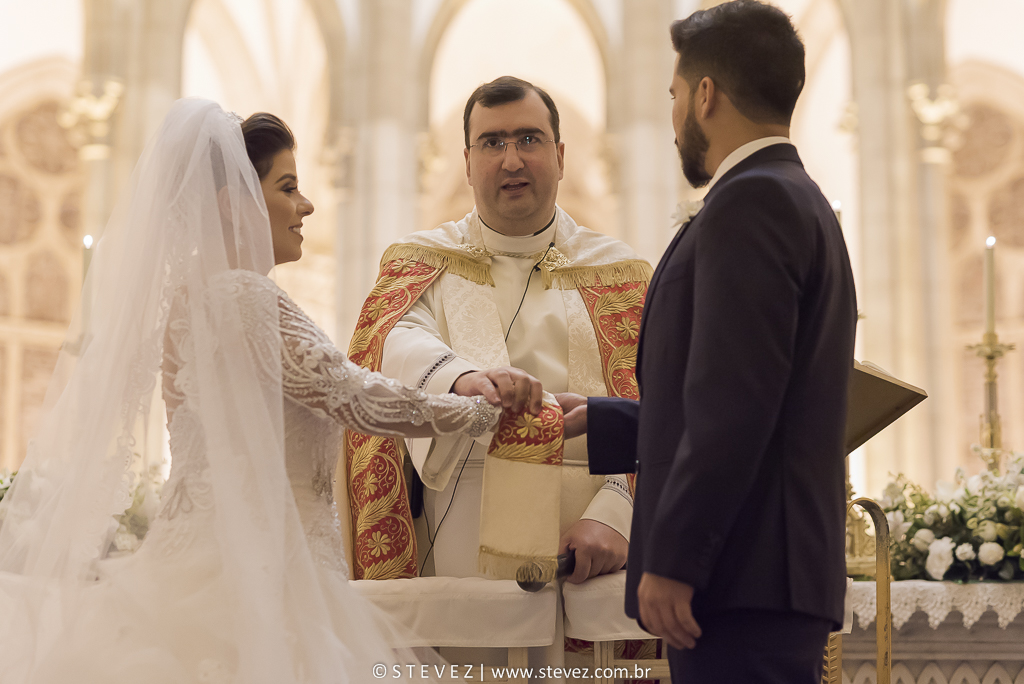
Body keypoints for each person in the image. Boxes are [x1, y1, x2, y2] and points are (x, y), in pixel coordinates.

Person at [0, 99, 501, 684]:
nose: (307, 205)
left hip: (219, 561)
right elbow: (358, 398)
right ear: (233, 202)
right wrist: (481, 411)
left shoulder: (196, 298)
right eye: (288, 186)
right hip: (257, 574)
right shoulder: (240, 295)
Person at [558, 2, 858, 682]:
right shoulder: (795, 195)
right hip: (764, 577)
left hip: (739, 578)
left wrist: (675, 559)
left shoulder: (752, 203)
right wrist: (606, 419)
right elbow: (756, 399)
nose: (672, 121)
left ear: (704, 94)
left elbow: (735, 406)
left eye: (672, 96)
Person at [342, 76, 653, 670]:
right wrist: (461, 380)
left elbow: (655, 409)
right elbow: (391, 342)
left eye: (529, 138)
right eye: (490, 142)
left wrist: (615, 514)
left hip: (592, 536)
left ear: (560, 156)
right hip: (463, 529)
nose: (510, 158)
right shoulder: (423, 261)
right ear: (466, 162)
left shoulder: (620, 273)